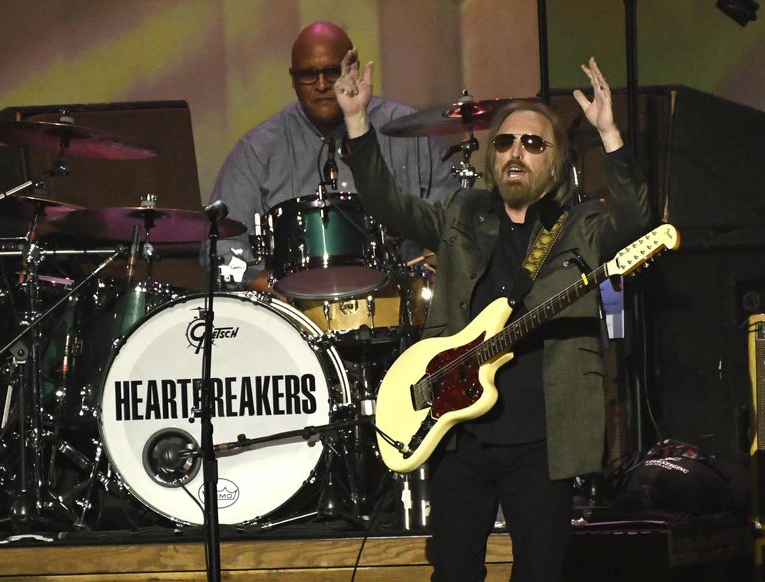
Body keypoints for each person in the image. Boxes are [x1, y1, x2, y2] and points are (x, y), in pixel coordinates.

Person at [336, 51, 655, 581]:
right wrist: (356, 123)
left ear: (556, 163)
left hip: (544, 441)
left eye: (534, 144)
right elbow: (387, 204)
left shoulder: (581, 224)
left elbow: (638, 222)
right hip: (459, 435)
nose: (516, 153)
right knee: (454, 572)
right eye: (505, 141)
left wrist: (610, 135)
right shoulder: (464, 212)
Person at [202, 21, 457, 290]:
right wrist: (260, 282)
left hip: (402, 308)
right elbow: (218, 247)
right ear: (292, 78)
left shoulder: (408, 132)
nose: (322, 84)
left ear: (353, 70)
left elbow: (454, 223)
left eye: (333, 72)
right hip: (296, 319)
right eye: (308, 74)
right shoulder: (256, 151)